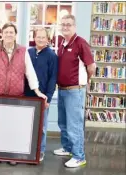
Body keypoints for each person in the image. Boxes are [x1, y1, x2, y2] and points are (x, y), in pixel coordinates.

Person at [0, 22, 47, 165]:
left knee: (13, 126)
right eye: (6, 32)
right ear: (2, 34)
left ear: (15, 35)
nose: (8, 35)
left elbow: (29, 72)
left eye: (11, 32)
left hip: (15, 95)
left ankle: (12, 155)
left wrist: (37, 91)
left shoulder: (23, 51)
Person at [53, 15, 96, 168]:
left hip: (74, 91)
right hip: (62, 89)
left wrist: (83, 82)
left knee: (74, 125)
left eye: (68, 24)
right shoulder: (62, 43)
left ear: (74, 26)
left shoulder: (80, 43)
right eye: (63, 24)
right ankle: (67, 148)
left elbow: (91, 66)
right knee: (63, 122)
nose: (65, 27)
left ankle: (79, 156)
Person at [24, 27, 58, 162]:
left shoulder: (52, 56)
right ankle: (26, 149)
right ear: (34, 38)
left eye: (43, 37)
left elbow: (52, 79)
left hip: (42, 96)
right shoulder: (28, 52)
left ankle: (41, 150)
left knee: (42, 127)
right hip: (26, 94)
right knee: (27, 125)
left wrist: (48, 98)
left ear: (48, 39)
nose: (40, 39)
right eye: (38, 37)